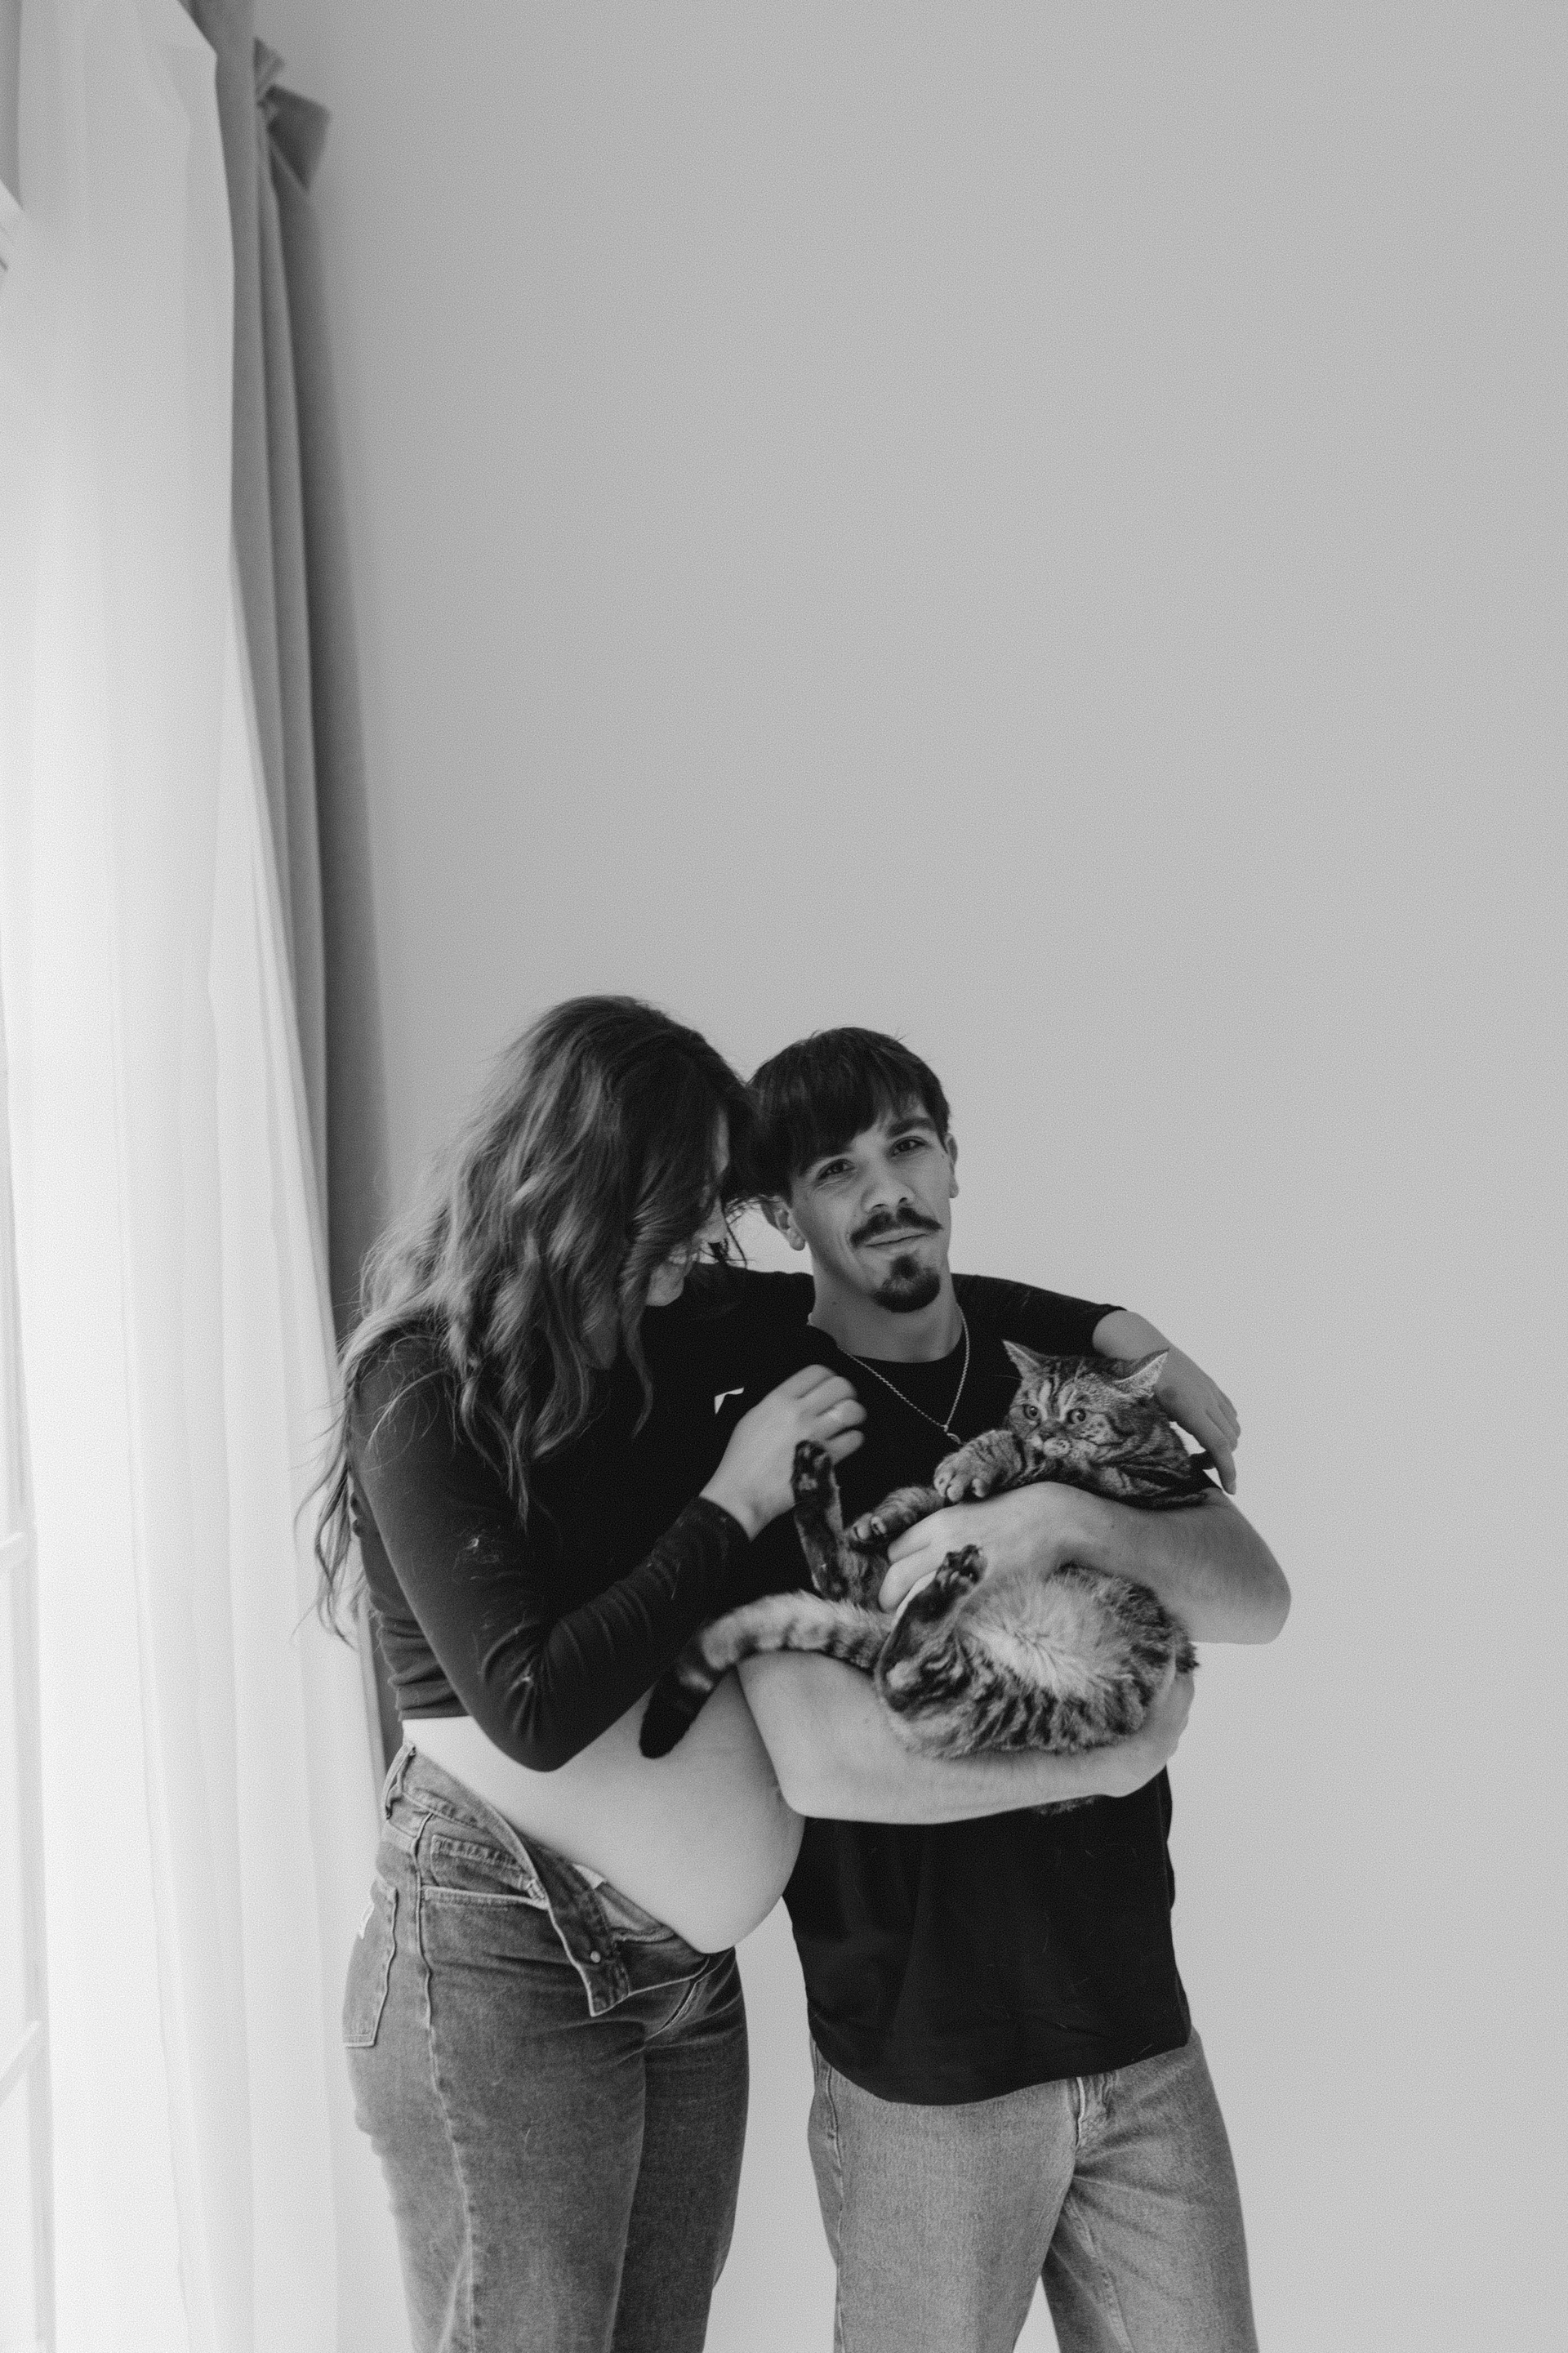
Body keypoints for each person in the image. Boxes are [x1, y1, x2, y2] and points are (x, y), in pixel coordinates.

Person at [314, 996, 1192, 2353]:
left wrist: (1124, 1332)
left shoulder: (665, 1320)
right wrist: (733, 1500)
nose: (703, 1247)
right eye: (681, 1214)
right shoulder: (421, 1380)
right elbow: (533, 1703)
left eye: (715, 1212)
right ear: (583, 1189)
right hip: (503, 1952)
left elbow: (884, 1302)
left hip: (678, 1978)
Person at [713, 1027, 1290, 2353]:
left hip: (1139, 2034)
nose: (887, 1190)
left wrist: (1055, 1520)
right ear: (785, 1213)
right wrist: (1103, 1760)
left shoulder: (1058, 1382)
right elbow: (823, 1760)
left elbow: (1255, 1596)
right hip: (926, 2074)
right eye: (838, 1169)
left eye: (909, 1145)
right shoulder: (776, 1426)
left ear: (954, 1163)